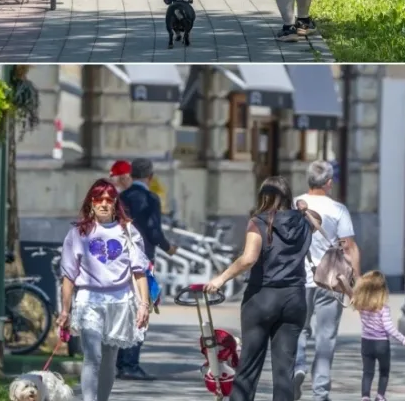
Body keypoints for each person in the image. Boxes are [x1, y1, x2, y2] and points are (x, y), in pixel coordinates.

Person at [204, 176, 323, 401]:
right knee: (285, 370)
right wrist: (304, 209)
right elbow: (318, 220)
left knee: (249, 366)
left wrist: (221, 279)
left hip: (262, 297)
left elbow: (248, 259)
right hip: (294, 298)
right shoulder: (302, 221)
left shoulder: (258, 222)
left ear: (264, 196)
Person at [57, 179, 151, 401]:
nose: (104, 204)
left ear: (115, 203)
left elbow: (139, 272)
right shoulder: (78, 233)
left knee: (109, 360)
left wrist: (144, 305)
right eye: (99, 199)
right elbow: (68, 276)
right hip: (89, 300)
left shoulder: (128, 231)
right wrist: (65, 310)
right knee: (93, 357)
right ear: (91, 202)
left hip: (120, 302)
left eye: (109, 199)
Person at [292, 160, 360, 401]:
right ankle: (320, 393)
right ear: (329, 183)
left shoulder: (294, 204)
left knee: (298, 329)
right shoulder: (338, 209)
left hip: (298, 280)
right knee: (326, 337)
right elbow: (348, 247)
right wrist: (356, 281)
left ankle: (297, 366)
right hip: (330, 280)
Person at [115, 158, 178, 381]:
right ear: (150, 177)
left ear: (131, 175)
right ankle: (130, 364)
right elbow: (153, 230)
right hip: (143, 262)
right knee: (142, 310)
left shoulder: (121, 197)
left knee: (125, 311)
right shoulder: (151, 198)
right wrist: (169, 247)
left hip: (121, 260)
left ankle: (120, 362)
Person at [353, 270, 405, 401]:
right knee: (384, 371)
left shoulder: (361, 306)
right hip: (381, 344)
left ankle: (365, 397)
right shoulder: (383, 308)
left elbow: (353, 295)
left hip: (366, 343)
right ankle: (380, 396)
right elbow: (388, 327)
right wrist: (403, 339)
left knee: (367, 372)